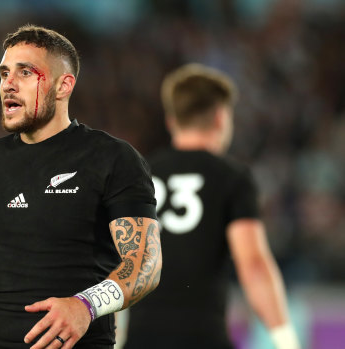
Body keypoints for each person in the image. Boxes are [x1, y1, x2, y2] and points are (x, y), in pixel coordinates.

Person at [0, 24, 162, 349]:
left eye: (25, 73)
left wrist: (86, 305)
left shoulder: (111, 158)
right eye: (4, 73)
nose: (8, 84)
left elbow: (145, 264)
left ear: (63, 85)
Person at [123, 64, 300, 349]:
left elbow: (119, 261)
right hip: (202, 337)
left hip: (142, 339)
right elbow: (253, 265)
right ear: (220, 117)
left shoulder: (138, 175)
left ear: (171, 120)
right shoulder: (231, 178)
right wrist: (285, 339)